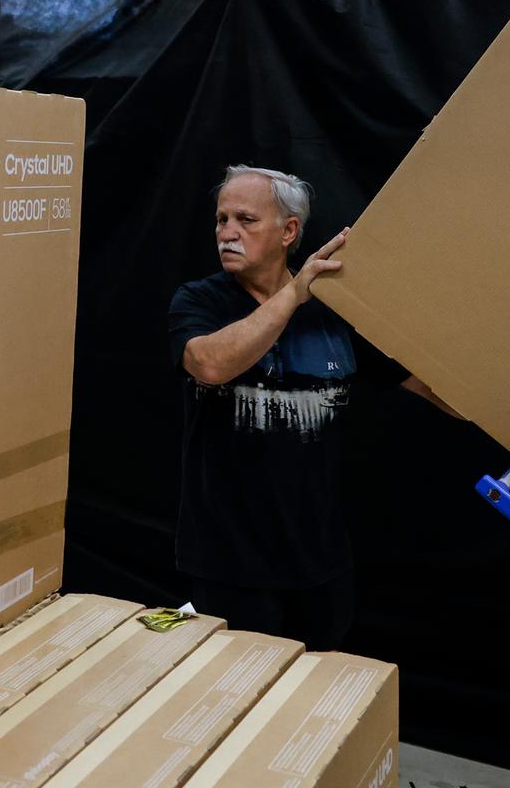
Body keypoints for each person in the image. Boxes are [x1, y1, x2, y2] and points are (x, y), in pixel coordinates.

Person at [167, 163, 455, 650]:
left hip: (321, 560)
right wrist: (294, 295)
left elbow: (429, 385)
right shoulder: (199, 300)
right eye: (221, 219)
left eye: (245, 220)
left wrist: (508, 405)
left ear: (289, 231)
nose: (227, 233)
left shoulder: (335, 312)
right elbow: (209, 365)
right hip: (229, 562)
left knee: (314, 685)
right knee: (239, 686)